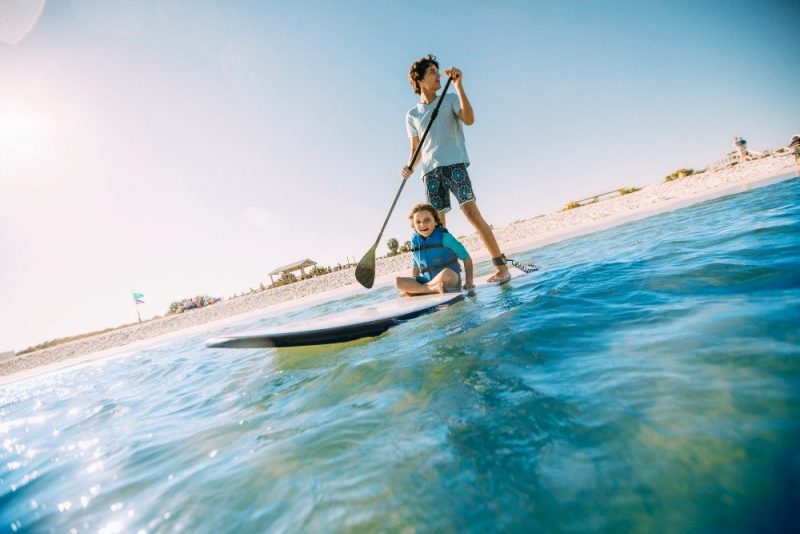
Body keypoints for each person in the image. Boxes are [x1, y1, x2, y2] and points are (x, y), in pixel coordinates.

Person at [401, 54, 510, 283]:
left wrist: (459, 86)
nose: (438, 76)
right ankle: (444, 276)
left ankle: (501, 267)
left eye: (438, 71)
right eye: (431, 72)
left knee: (472, 213)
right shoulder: (412, 115)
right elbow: (416, 149)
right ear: (419, 79)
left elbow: (469, 120)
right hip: (430, 172)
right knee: (436, 227)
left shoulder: (450, 99)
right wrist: (409, 167)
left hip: (454, 164)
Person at [395, 203, 474, 296]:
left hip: (449, 280)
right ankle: (431, 289)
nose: (422, 224)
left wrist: (469, 281)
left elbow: (466, 258)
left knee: (447, 273)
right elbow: (415, 269)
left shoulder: (445, 238)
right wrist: (413, 282)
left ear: (435, 221)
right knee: (398, 281)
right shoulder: (415, 243)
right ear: (414, 226)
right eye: (418, 222)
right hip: (428, 282)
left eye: (427, 220)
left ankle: (420, 290)